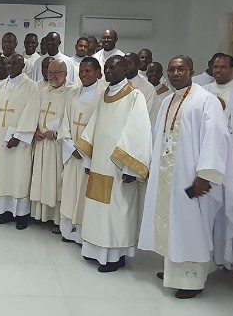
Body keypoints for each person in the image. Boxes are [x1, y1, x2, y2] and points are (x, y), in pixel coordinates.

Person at [139, 55, 233, 299]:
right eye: (172, 69)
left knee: (191, 227)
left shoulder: (206, 100)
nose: (175, 74)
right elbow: (159, 136)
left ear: (191, 72)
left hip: (193, 179)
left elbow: (217, 138)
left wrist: (205, 175)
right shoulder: (168, 101)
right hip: (167, 176)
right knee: (172, 223)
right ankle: (173, 271)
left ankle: (192, 280)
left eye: (181, 69)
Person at [76, 55, 152, 272]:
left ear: (125, 69)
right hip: (100, 161)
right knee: (98, 209)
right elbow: (94, 126)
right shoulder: (104, 95)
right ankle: (95, 250)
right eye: (106, 68)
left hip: (119, 165)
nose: (109, 71)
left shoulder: (134, 96)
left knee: (116, 211)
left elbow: (139, 130)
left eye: (113, 67)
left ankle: (114, 256)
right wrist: (89, 157)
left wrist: (131, 166)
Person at [0, 54, 40, 230]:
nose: (11, 66)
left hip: (19, 144)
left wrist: (18, 136)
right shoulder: (0, 86)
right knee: (3, 177)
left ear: (23, 65)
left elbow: (31, 112)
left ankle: (22, 215)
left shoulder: (31, 86)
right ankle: (4, 212)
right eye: (9, 63)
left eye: (15, 63)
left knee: (19, 177)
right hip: (1, 140)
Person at [58, 57, 103, 244]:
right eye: (82, 71)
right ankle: (68, 230)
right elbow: (65, 122)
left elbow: (101, 126)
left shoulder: (103, 96)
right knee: (70, 192)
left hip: (89, 156)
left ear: (98, 73)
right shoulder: (72, 95)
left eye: (88, 71)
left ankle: (84, 234)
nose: (84, 75)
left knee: (85, 195)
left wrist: (84, 150)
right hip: (72, 153)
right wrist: (70, 146)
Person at [31, 59, 73, 229]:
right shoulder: (41, 91)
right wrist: (35, 130)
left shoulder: (71, 93)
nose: (53, 76)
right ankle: (40, 215)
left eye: (57, 72)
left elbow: (70, 120)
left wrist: (55, 134)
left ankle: (56, 219)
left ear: (66, 74)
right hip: (41, 144)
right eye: (50, 72)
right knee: (41, 179)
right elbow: (32, 113)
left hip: (58, 146)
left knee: (57, 182)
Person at [204, 54, 233, 178]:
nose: (218, 70)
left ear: (232, 69)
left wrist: (225, 110)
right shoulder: (203, 91)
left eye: (223, 67)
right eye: (215, 67)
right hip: (205, 146)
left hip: (231, 150)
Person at [125, 52, 157, 119]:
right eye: (124, 63)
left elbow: (145, 113)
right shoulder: (117, 84)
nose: (126, 66)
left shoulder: (148, 87)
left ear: (138, 65)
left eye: (129, 63)